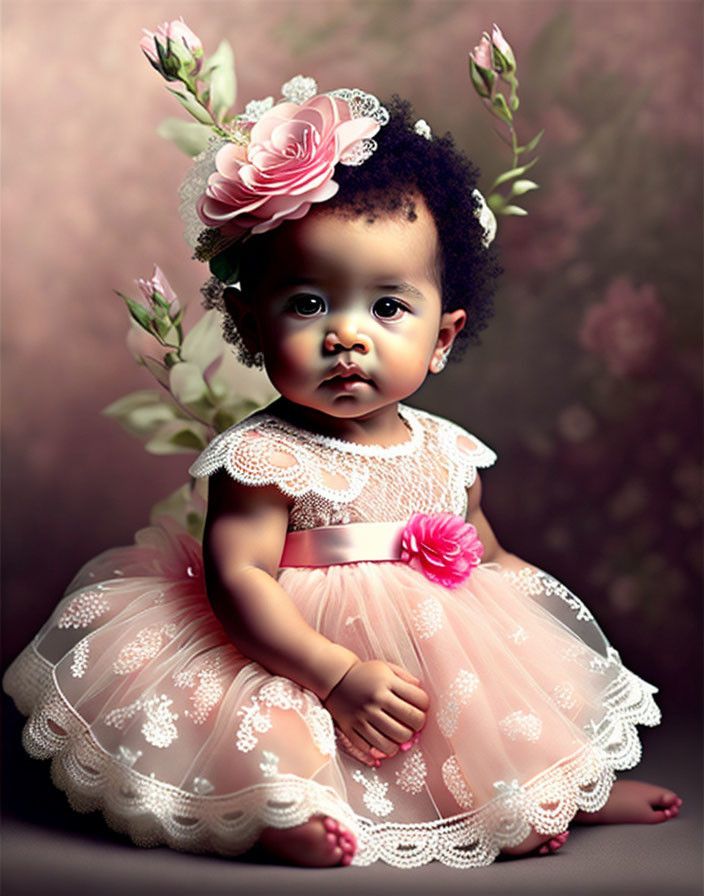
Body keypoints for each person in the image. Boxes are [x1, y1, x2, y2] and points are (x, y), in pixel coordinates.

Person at [3, 71, 681, 870]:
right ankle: (283, 809)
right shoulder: (264, 456)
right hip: (294, 650)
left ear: (444, 335)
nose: (347, 337)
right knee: (272, 722)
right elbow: (239, 581)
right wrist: (336, 673)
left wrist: (545, 628)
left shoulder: (448, 449)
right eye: (309, 305)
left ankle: (566, 791)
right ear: (254, 324)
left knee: (492, 709)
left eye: (387, 307)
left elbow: (486, 554)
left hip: (427, 648)